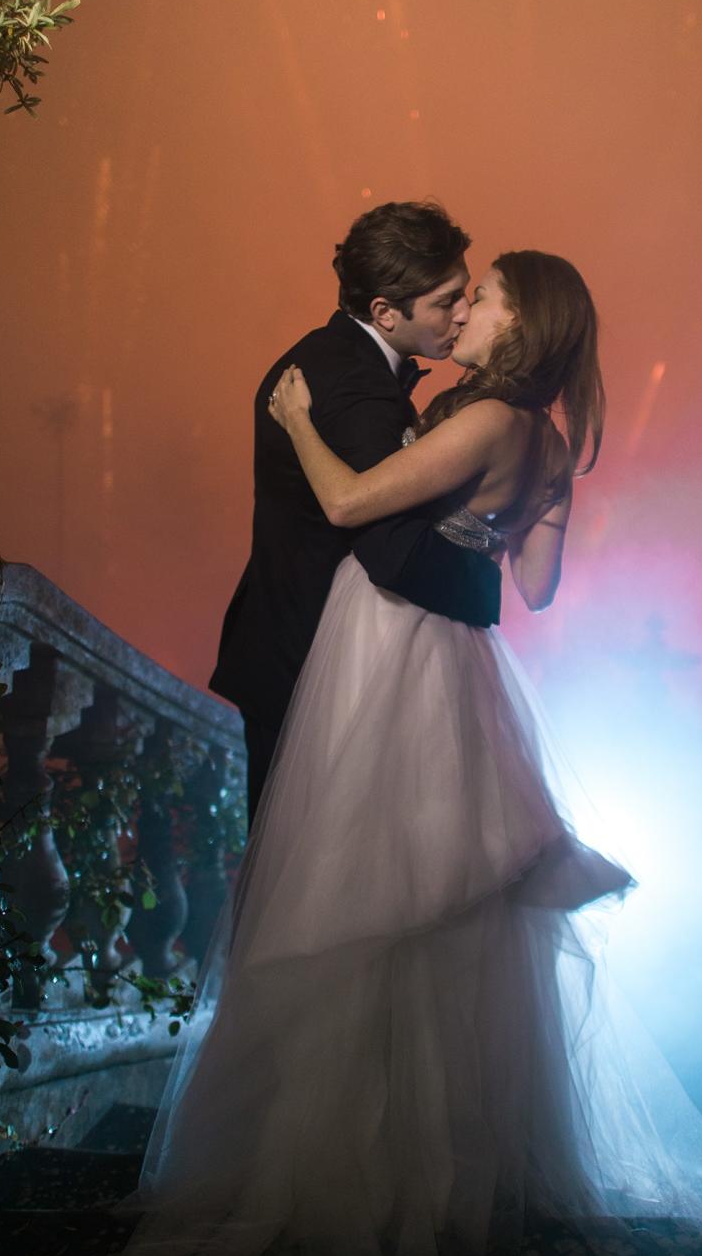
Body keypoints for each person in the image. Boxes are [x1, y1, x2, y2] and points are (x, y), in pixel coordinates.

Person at [111, 249, 702, 1256]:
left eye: (488, 294)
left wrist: (299, 418)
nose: (470, 305)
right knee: (443, 908)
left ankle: (343, 1176)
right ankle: (443, 1176)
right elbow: (538, 589)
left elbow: (354, 498)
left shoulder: (491, 420)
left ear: (524, 322)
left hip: (394, 651)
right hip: (465, 665)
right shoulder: (546, 445)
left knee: (362, 890)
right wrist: (507, 519)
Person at [208, 199, 502, 827]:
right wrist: (490, 590)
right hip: (309, 668)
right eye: (446, 301)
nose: (464, 313)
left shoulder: (335, 357)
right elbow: (391, 548)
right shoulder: (357, 391)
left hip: (296, 650)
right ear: (384, 312)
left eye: (466, 294)